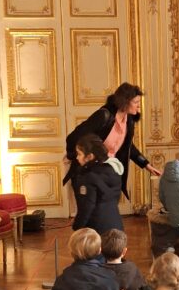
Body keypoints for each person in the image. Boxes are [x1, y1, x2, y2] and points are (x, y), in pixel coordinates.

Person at [64, 83, 161, 220]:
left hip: (108, 170)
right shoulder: (104, 115)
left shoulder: (129, 120)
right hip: (90, 170)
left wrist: (146, 164)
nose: (139, 106)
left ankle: (104, 238)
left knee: (103, 211)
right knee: (88, 212)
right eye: (136, 102)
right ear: (124, 102)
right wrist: (72, 156)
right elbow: (73, 137)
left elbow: (128, 146)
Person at [71, 135, 124, 233]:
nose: (77, 158)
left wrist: (77, 227)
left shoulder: (87, 176)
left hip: (96, 231)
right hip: (117, 228)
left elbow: (86, 206)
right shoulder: (113, 170)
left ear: (90, 156)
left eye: (79, 154)